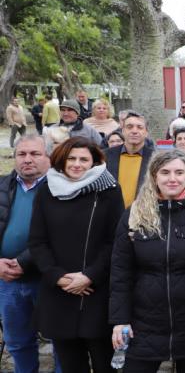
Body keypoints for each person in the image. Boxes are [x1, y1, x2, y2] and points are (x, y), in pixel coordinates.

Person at [110, 150, 185, 372]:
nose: (172, 178)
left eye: (179, 172)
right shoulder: (134, 214)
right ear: (154, 176)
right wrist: (120, 319)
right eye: (165, 172)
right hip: (144, 321)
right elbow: (121, 271)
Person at [28, 137, 125, 373]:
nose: (77, 164)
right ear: (62, 160)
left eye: (84, 159)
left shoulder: (109, 190)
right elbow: (38, 242)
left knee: (105, 365)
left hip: (97, 293)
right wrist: (58, 277)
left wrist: (89, 276)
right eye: (71, 158)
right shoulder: (47, 190)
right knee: (70, 365)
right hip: (60, 293)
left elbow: (115, 241)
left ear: (94, 162)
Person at [0, 135, 58, 373]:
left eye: (35, 154)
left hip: (48, 278)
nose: (27, 159)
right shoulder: (3, 185)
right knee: (17, 341)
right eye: (21, 154)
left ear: (49, 157)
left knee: (61, 340)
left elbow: (61, 234)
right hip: (7, 280)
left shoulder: (61, 188)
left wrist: (23, 261)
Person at [104, 112, 154, 208]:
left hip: (143, 212)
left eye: (140, 127)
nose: (134, 131)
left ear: (146, 132)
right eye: (129, 127)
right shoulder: (106, 156)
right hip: (111, 212)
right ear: (122, 131)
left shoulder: (155, 158)